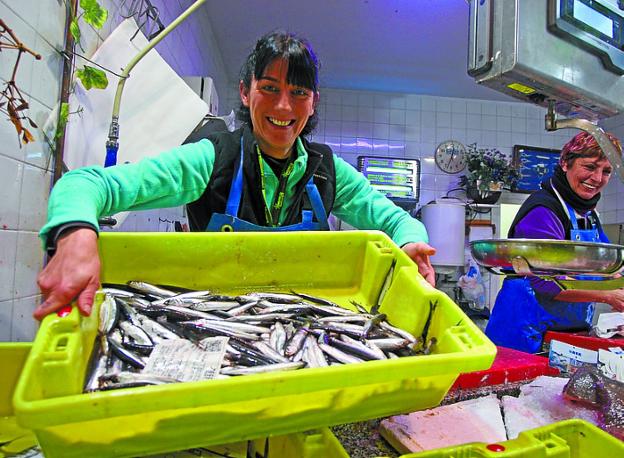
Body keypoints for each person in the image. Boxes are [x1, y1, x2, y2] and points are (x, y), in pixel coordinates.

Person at [35, 31, 436, 320]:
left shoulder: (328, 172)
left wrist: (412, 243)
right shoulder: (211, 159)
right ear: (246, 93)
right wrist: (75, 235)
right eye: (269, 87)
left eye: (299, 92)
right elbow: (86, 183)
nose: (283, 105)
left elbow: (398, 221)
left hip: (304, 327)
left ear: (313, 103)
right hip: (215, 323)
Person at [485, 131, 624, 353]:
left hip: (565, 333)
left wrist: (619, 283)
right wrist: (608, 296)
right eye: (589, 167)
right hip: (525, 335)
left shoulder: (588, 213)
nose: (597, 178)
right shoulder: (543, 210)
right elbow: (547, 283)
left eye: (606, 171)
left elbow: (608, 267)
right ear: (565, 163)